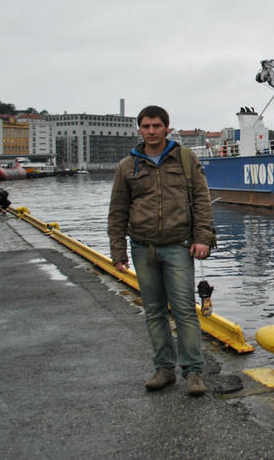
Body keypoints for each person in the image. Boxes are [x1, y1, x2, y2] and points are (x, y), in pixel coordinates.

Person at [107, 105, 216, 396]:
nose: (151, 131)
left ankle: (193, 372)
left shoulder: (184, 158)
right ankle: (164, 369)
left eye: (157, 126)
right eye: (146, 126)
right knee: (154, 311)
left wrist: (202, 237)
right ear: (139, 129)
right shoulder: (127, 166)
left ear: (167, 127)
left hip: (179, 246)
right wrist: (118, 251)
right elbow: (117, 211)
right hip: (142, 248)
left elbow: (202, 200)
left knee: (183, 311)